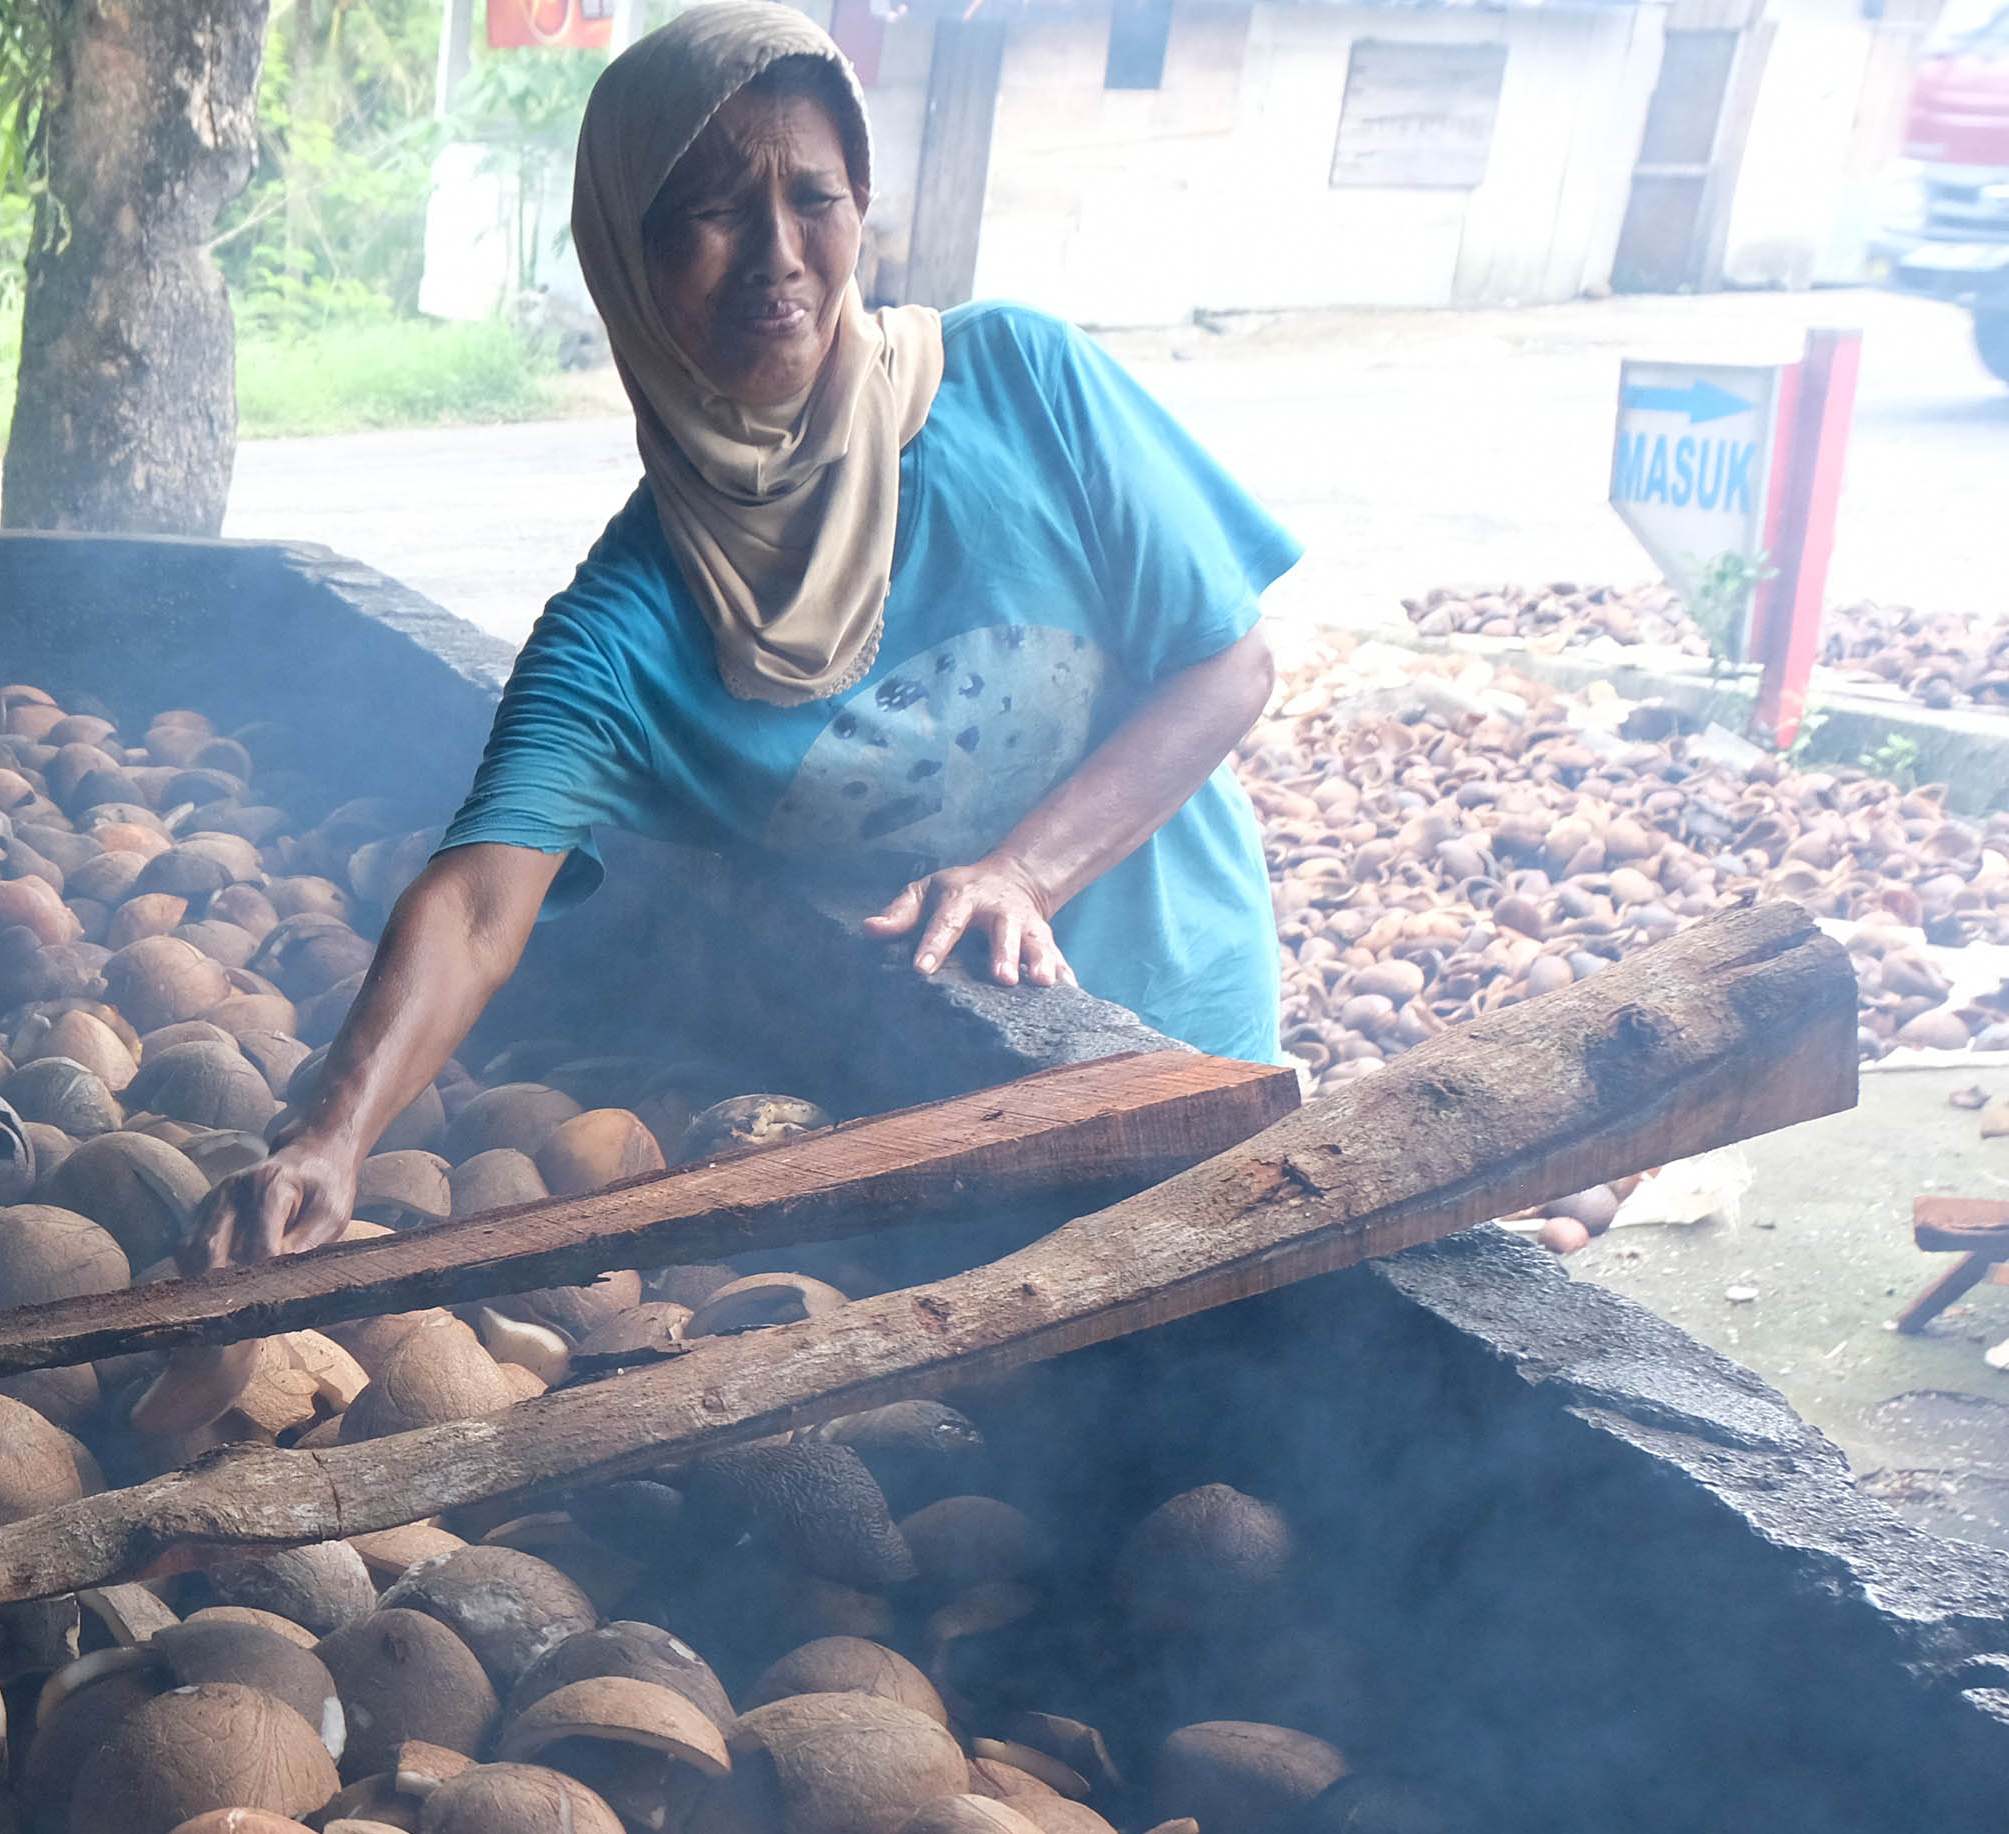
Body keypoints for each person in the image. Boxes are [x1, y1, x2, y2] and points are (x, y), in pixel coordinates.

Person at [192, 0, 1298, 1272]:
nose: (779, 252)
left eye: (813, 198)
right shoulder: (623, 633)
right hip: (939, 1110)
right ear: (626, 257)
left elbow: (1232, 662)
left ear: (860, 206)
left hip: (1185, 1029)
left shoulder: (1025, 385)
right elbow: (479, 904)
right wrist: (330, 1138)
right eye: (713, 212)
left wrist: (1023, 873)